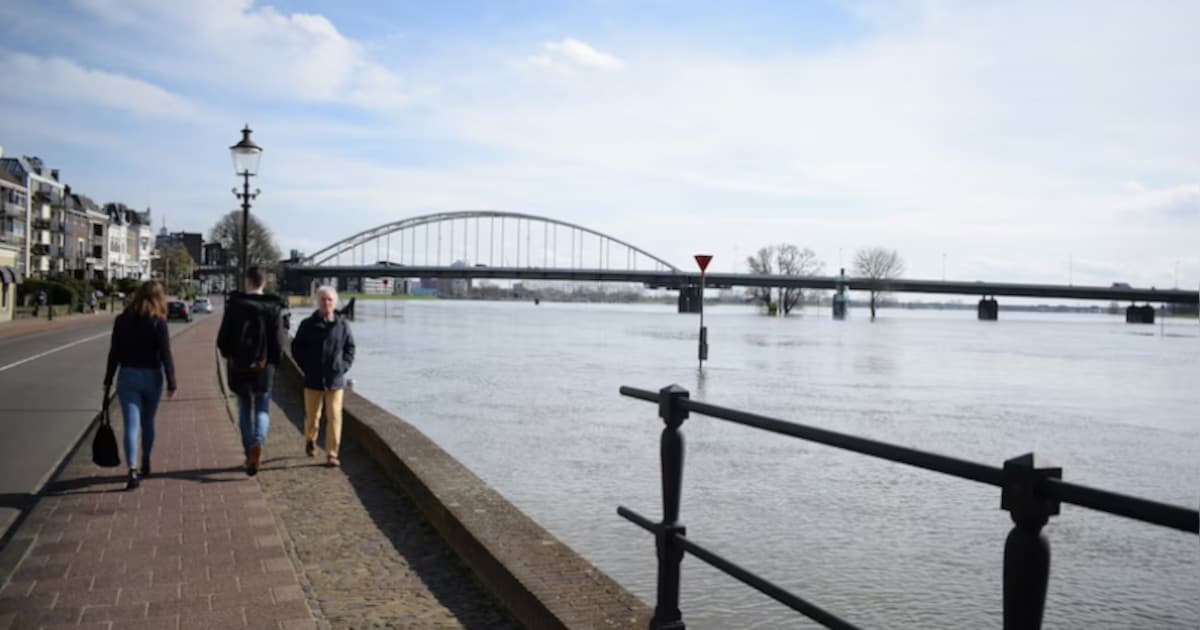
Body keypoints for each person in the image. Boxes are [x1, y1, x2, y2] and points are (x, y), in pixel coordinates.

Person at [103, 281, 177, 490]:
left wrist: (108, 380)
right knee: (148, 421)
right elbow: (166, 353)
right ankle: (146, 460)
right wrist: (171, 381)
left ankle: (132, 469)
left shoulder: (122, 320)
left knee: (131, 424)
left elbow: (114, 352)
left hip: (127, 376)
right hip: (152, 376)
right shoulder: (158, 322)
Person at [217, 266, 288, 476]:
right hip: (264, 368)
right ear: (263, 283)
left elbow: (223, 339)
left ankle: (249, 451)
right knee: (262, 409)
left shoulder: (234, 306)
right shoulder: (273, 307)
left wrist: (229, 355)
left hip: (239, 367)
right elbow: (278, 342)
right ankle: (258, 443)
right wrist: (273, 364)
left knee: (244, 410)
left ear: (247, 282)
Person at [291, 286, 355, 467]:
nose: (326, 303)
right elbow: (296, 348)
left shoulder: (342, 325)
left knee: (335, 416)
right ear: (317, 302)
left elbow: (350, 348)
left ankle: (332, 454)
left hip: (335, 379)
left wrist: (342, 367)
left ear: (334, 303)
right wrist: (306, 367)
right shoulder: (307, 325)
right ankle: (310, 439)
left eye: (329, 300)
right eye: (323, 299)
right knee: (313, 416)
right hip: (313, 378)